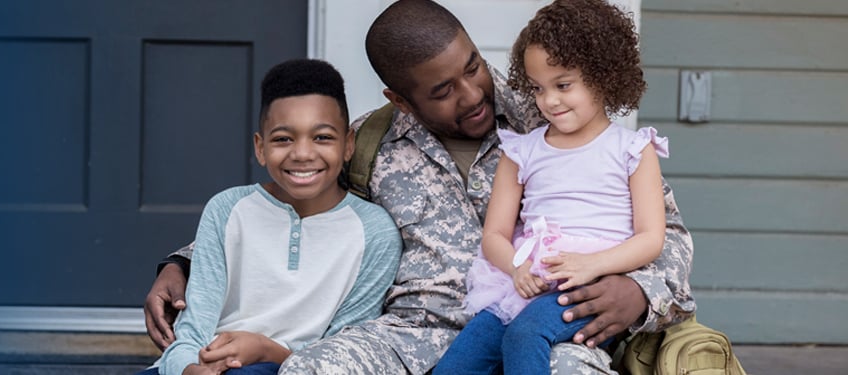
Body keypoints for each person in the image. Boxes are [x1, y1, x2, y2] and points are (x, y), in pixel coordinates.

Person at [143, 1, 696, 374]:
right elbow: (288, 201)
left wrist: (641, 293)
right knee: (313, 368)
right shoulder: (367, 142)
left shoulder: (553, 116)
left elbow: (665, 234)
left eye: (474, 66)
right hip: (411, 337)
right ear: (400, 99)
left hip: (547, 322)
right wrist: (183, 263)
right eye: (442, 90)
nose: (473, 94)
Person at [434, 1, 667, 374]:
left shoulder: (633, 150)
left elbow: (651, 238)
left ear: (603, 75)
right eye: (538, 88)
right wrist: (518, 269)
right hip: (525, 284)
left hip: (590, 288)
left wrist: (594, 265)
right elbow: (494, 233)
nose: (549, 100)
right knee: (458, 364)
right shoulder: (522, 151)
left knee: (526, 336)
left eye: (562, 85)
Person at [140, 59, 401, 375]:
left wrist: (267, 350)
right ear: (260, 147)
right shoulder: (227, 209)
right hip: (203, 364)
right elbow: (192, 331)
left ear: (348, 145)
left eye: (322, 137)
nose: (302, 154)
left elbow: (348, 349)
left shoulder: (375, 232)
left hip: (292, 368)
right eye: (283, 139)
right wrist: (187, 370)